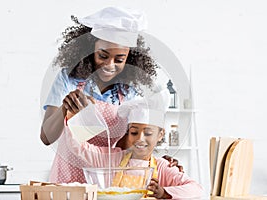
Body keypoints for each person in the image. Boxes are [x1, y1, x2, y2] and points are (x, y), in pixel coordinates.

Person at [40, 6, 182, 183]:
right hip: (68, 175)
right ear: (90, 50)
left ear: (129, 59)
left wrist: (158, 162)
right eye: (103, 56)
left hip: (108, 178)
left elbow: (130, 145)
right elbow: (46, 137)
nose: (109, 64)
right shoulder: (68, 79)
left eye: (119, 59)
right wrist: (64, 109)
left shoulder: (131, 93)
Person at [61, 91, 203, 199]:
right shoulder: (112, 159)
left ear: (160, 134)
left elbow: (196, 189)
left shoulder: (162, 167)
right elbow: (78, 147)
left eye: (148, 133)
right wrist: (71, 115)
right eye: (134, 132)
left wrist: (164, 192)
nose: (140, 139)